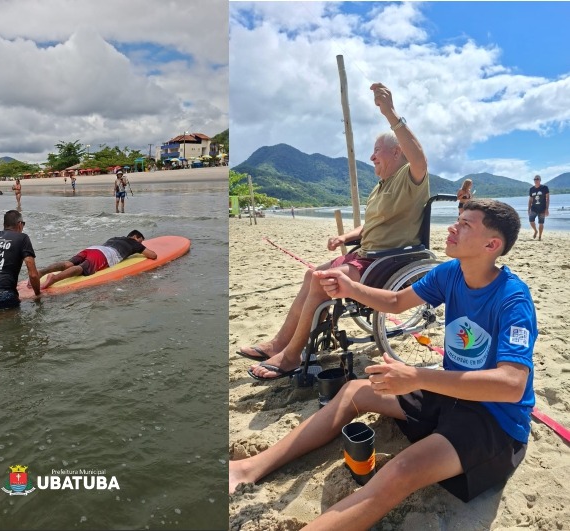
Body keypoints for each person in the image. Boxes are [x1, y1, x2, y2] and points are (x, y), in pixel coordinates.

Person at [230, 199, 536, 530]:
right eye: (457, 220)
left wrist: (416, 377)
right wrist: (350, 288)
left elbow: (511, 383)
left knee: (401, 471)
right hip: (451, 395)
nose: (452, 227)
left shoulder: (513, 299)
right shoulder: (451, 272)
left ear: (492, 245)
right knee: (352, 392)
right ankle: (248, 469)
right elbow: (396, 301)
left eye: (465, 225)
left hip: (494, 423)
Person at [236, 83, 430, 380]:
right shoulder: (380, 187)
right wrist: (345, 237)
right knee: (311, 274)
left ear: (397, 152)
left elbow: (420, 158)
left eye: (377, 150)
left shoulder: (410, 179)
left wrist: (389, 112)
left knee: (321, 283)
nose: (372, 156)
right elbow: (373, 225)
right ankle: (279, 342)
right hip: (365, 255)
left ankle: (291, 357)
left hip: (387, 261)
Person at [37, 230, 158, 289]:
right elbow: (153, 256)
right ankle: (54, 278)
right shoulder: (135, 243)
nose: (141, 244)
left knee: (68, 263)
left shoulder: (116, 237)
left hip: (93, 248)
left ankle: (41, 272)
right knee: (82, 268)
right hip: (104, 255)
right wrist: (139, 248)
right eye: (141, 241)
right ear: (135, 237)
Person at [528, 175, 549, 241]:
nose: (536, 180)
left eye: (537, 179)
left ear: (540, 180)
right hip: (533, 208)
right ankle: (535, 231)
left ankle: (539, 236)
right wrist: (528, 209)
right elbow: (530, 200)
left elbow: (547, 199)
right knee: (531, 221)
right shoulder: (531, 189)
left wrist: (547, 209)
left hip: (542, 209)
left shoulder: (545, 188)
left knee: (541, 223)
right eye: (535, 179)